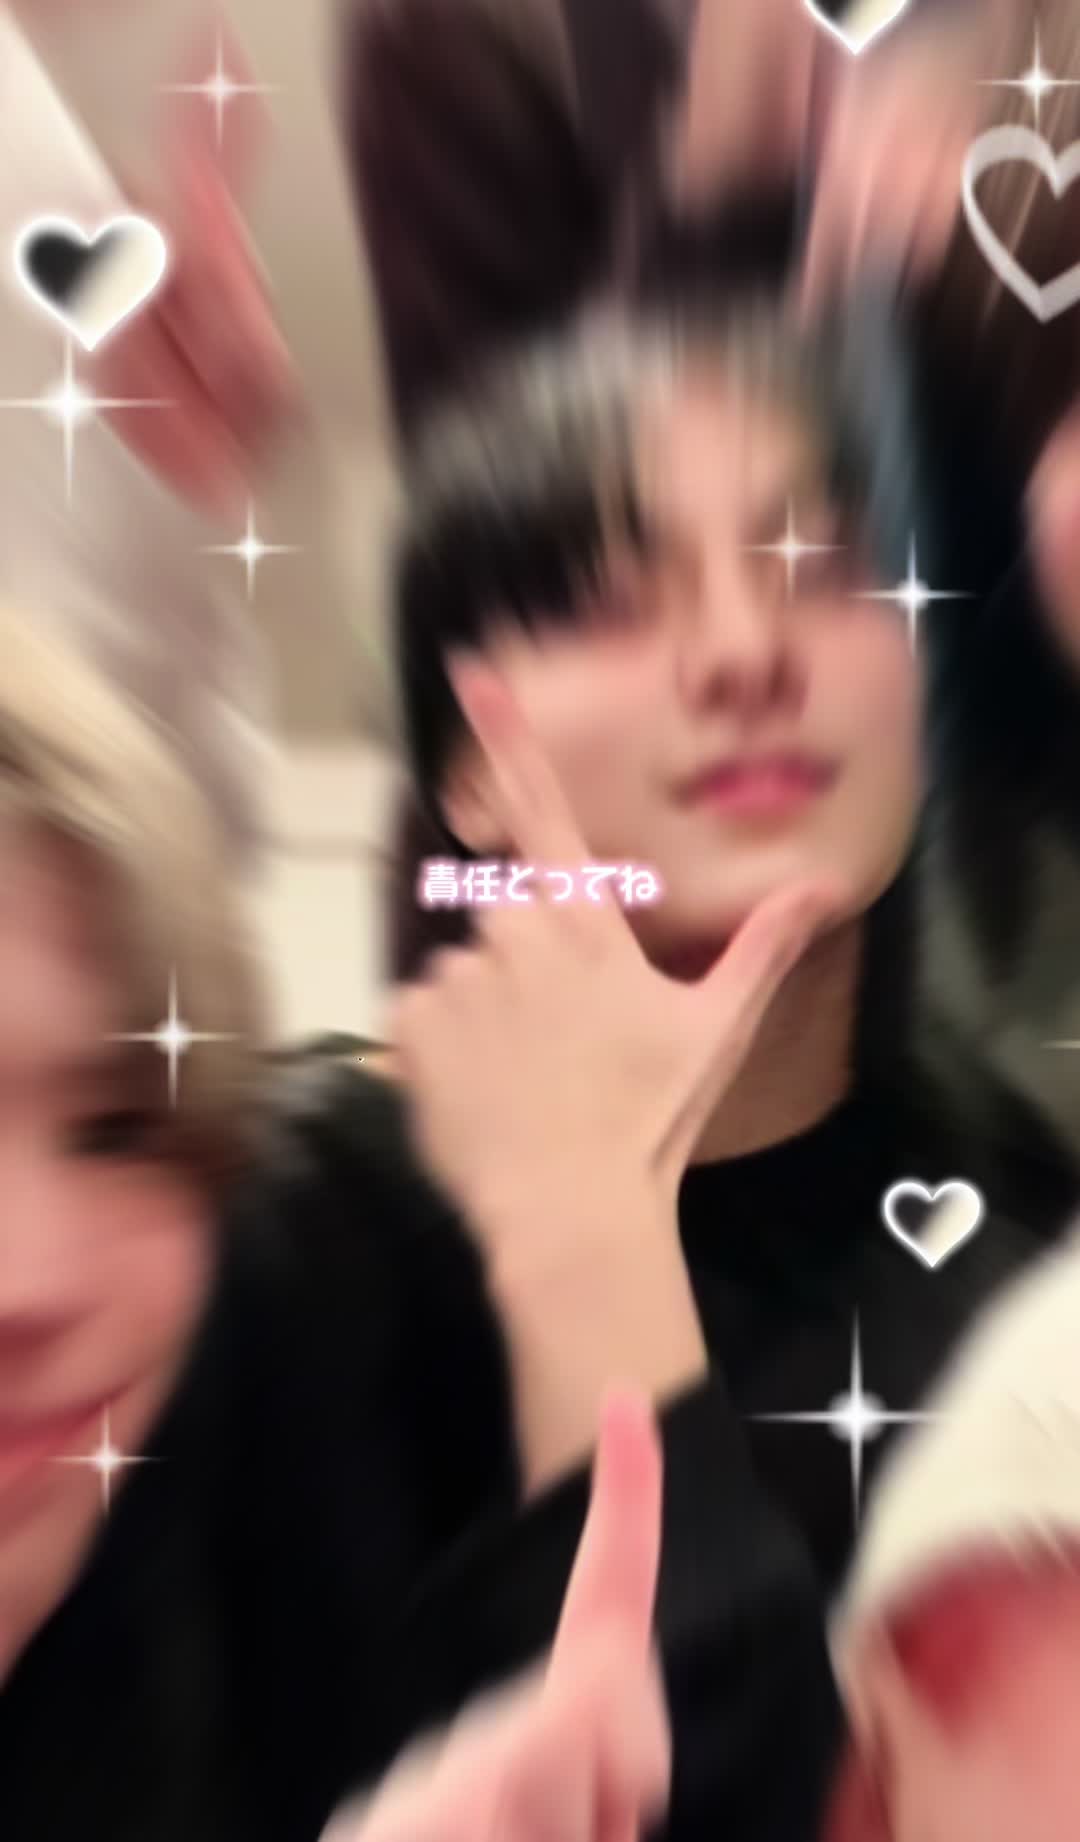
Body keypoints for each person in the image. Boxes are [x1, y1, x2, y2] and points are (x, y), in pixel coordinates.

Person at [371, 286, 1079, 1839]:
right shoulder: (282, 1236)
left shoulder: (1043, 1253)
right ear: (468, 770)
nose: (750, 653)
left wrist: (594, 1246)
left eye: (819, 571)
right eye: (614, 601)